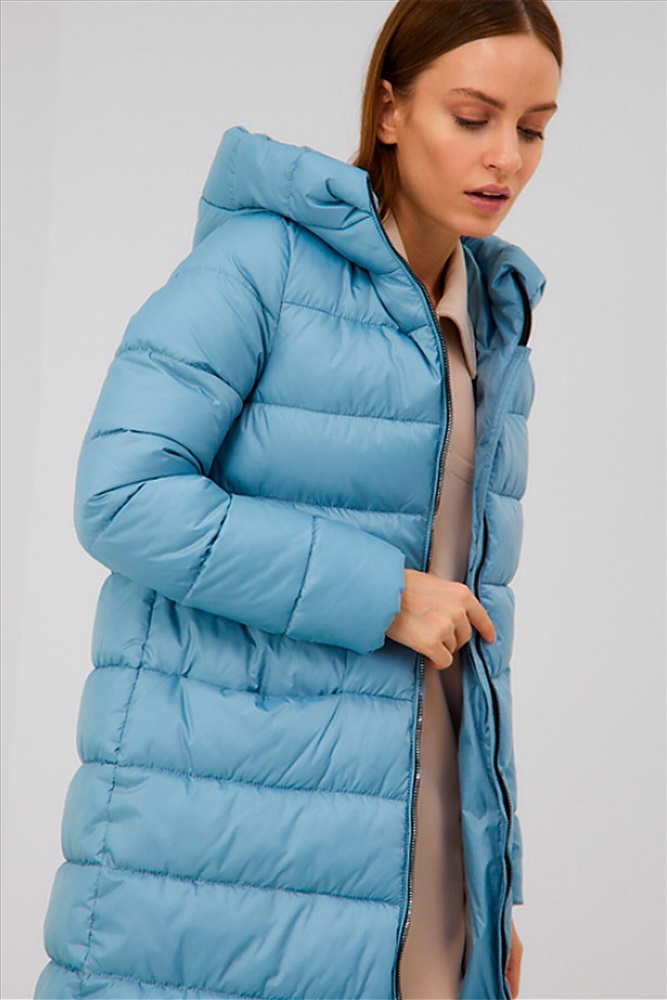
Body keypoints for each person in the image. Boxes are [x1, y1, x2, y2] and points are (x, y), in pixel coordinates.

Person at [34, 1, 562, 998]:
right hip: (219, 846)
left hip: (419, 863)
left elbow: (474, 636)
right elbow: (121, 494)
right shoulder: (259, 269)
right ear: (389, 109)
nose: (505, 157)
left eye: (532, 129)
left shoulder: (490, 326)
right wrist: (381, 593)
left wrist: (488, 893)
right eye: (472, 117)